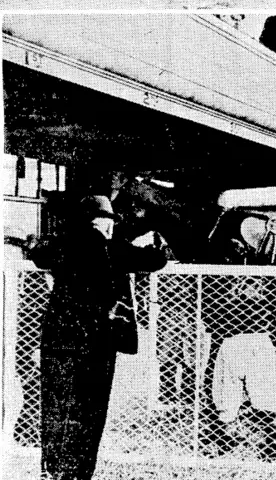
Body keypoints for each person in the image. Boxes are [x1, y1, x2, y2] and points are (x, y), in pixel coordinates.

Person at [28, 195, 168, 480]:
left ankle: (52, 469)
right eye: (111, 221)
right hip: (95, 344)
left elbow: (38, 253)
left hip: (57, 342)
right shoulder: (111, 248)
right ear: (101, 222)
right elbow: (154, 260)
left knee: (55, 408)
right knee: (89, 411)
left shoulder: (60, 245)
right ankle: (77, 473)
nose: (113, 226)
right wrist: (161, 248)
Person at [203, 277, 276, 461]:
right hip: (254, 337)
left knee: (229, 390)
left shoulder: (223, 271)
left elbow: (210, 316)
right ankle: (269, 435)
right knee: (263, 390)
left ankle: (229, 432)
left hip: (236, 337)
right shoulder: (264, 270)